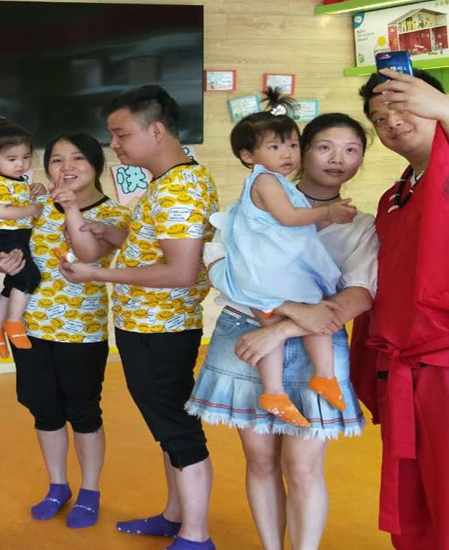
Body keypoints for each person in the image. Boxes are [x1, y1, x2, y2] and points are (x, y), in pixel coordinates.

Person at [187, 113, 376, 550]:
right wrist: (289, 309)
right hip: (246, 333)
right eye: (325, 147)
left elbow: (360, 295)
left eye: (351, 150)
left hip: (314, 341)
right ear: (303, 151)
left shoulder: (360, 224)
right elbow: (221, 270)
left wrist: (280, 329)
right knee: (260, 462)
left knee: (304, 468)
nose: (337, 159)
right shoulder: (252, 205)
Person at [57, 85, 218, 550]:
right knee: (167, 427)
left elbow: (181, 271)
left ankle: (196, 535)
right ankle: (175, 516)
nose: (114, 145)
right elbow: (154, 244)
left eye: (121, 134)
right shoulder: (167, 183)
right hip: (145, 327)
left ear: (157, 130)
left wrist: (97, 272)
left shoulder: (181, 187)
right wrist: (113, 232)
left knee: (177, 428)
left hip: (161, 330)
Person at [0, 133, 131, 528]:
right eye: (56, 160)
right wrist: (3, 260)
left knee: (83, 411)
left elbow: (89, 253)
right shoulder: (35, 208)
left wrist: (70, 208)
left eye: (77, 158)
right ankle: (57, 486)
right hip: (28, 327)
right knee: (44, 410)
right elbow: (10, 243)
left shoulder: (115, 214)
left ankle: (90, 490)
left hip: (81, 332)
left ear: (96, 165)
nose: (66, 167)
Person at [208, 89, 357, 428]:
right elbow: (289, 218)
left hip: (274, 269)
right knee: (309, 312)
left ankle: (311, 380)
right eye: (275, 147)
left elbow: (292, 224)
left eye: (292, 145)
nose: (288, 154)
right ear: (248, 155)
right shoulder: (265, 181)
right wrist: (328, 212)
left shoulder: (278, 183)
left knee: (300, 318)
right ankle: (297, 384)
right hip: (269, 270)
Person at [351, 68, 449, 550]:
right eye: (378, 118)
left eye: (403, 105)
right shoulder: (395, 196)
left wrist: (444, 109)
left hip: (444, 366)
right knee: (415, 501)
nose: (391, 122)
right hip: (404, 370)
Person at [0, 117, 41, 357]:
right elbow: (1, 212)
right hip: (0, 235)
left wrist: (36, 192)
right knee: (30, 277)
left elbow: (19, 200)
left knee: (13, 283)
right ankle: (13, 322)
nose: (21, 164)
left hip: (16, 235)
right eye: (12, 159)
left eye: (26, 157)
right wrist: (32, 209)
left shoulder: (18, 180)